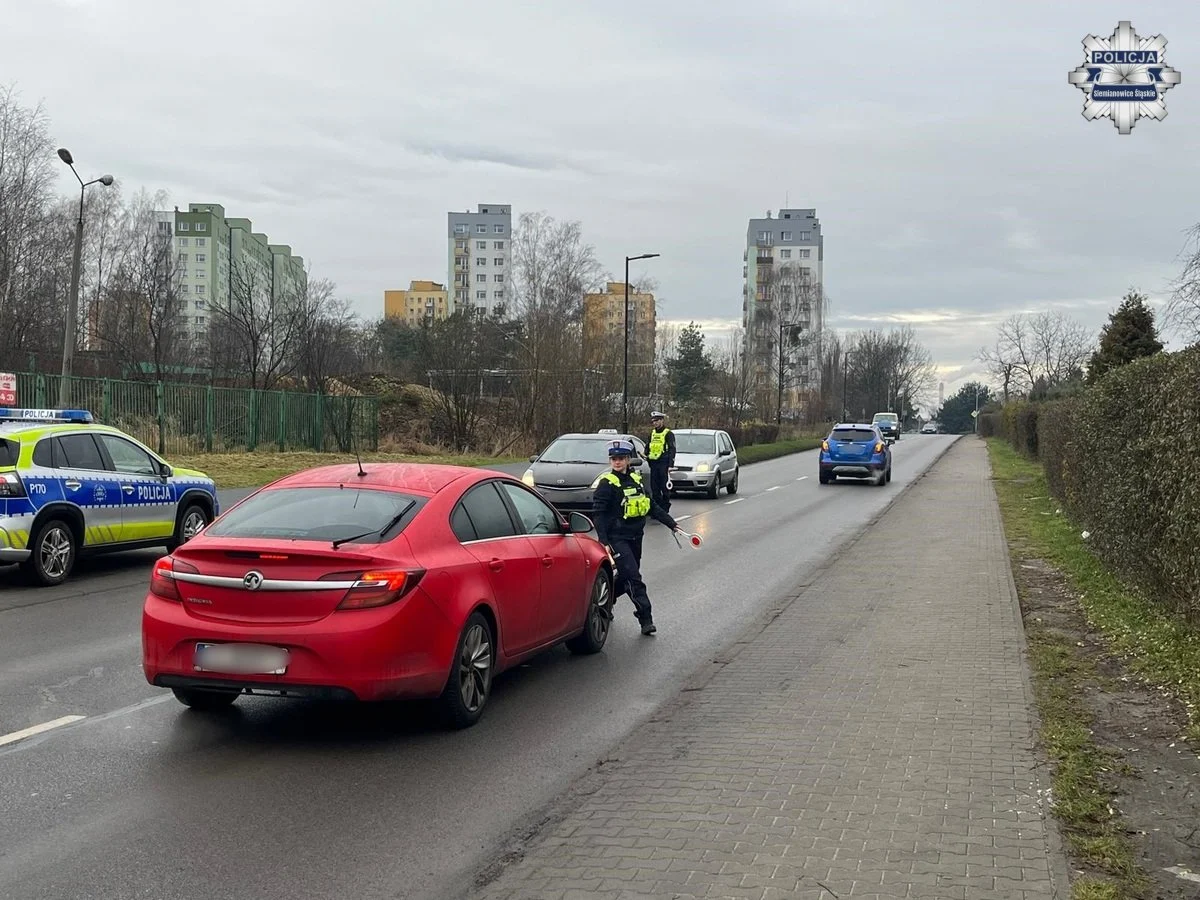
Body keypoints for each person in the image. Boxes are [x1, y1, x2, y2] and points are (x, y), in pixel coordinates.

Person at [591, 438, 682, 635]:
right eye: (614, 459)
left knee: (626, 577)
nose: (617, 462)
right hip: (617, 538)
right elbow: (598, 514)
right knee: (634, 578)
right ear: (610, 461)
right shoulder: (607, 484)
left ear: (628, 460)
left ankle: (604, 600)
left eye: (621, 458)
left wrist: (672, 524)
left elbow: (651, 506)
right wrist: (604, 541)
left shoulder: (636, 480)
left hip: (635, 537)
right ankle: (645, 618)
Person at [645, 410, 676, 514]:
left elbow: (672, 449)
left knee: (664, 488)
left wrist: (670, 465)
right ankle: (657, 509)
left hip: (664, 463)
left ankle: (665, 508)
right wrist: (646, 455)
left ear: (662, 420)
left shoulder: (668, 433)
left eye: (657, 420)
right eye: (653, 421)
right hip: (653, 464)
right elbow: (648, 446)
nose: (655, 423)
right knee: (655, 488)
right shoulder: (652, 433)